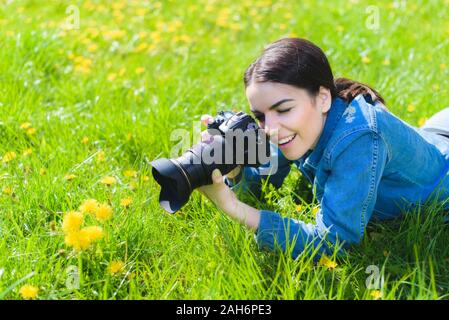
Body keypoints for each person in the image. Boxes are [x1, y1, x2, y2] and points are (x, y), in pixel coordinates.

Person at [197, 37, 449, 260]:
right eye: (260, 116)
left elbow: (334, 242)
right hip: (435, 134)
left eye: (284, 109)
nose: (270, 128)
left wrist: (233, 208)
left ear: (323, 98)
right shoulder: (299, 127)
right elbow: (264, 181)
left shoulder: (358, 140)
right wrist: (233, 168)